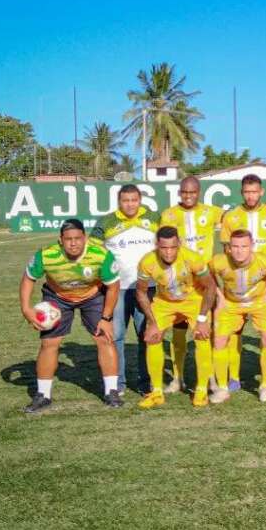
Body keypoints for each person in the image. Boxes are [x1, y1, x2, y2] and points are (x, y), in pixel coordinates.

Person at [20, 219, 123, 412]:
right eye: (68, 239)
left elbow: (113, 287)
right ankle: (43, 395)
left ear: (85, 238)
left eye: (77, 238)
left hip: (93, 295)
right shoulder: (46, 255)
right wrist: (26, 309)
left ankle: (111, 391)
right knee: (49, 343)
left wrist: (106, 318)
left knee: (105, 338)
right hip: (57, 297)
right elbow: (28, 278)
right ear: (61, 240)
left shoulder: (101, 255)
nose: (73, 243)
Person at [133, 226, 217, 408]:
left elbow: (210, 287)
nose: (168, 252)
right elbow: (141, 292)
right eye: (164, 248)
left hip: (193, 300)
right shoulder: (147, 261)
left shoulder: (192, 258)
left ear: (179, 244)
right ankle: (156, 392)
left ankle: (201, 390)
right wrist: (153, 323)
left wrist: (202, 320)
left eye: (172, 247)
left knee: (202, 337)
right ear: (157, 245)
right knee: (152, 337)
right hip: (164, 302)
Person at [219, 174, 266, 390]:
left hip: (265, 282)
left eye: (254, 191)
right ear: (242, 192)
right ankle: (234, 377)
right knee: (234, 331)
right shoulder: (231, 217)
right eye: (247, 192)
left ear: (261, 192)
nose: (250, 196)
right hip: (238, 283)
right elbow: (226, 250)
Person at [91, 184, 158, 395]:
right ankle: (118, 383)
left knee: (146, 334)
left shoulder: (155, 218)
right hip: (117, 289)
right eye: (125, 200)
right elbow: (93, 251)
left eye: (134, 200)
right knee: (117, 335)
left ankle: (146, 382)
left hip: (147, 287)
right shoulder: (107, 221)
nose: (130, 204)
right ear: (119, 202)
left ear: (140, 200)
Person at [158, 175, 223, 393]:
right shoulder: (168, 215)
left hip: (205, 283)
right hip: (179, 282)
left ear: (199, 192)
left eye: (192, 192)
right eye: (184, 192)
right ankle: (177, 379)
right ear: (179, 193)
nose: (188, 196)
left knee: (207, 331)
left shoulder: (211, 212)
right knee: (178, 333)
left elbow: (236, 217)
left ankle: (211, 378)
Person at [208, 230, 266, 403]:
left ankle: (265, 386)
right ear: (229, 248)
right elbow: (207, 273)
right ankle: (223, 388)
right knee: (219, 340)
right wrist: (219, 295)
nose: (239, 251)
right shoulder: (219, 261)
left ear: (252, 246)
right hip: (231, 304)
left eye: (244, 246)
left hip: (259, 303)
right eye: (235, 246)